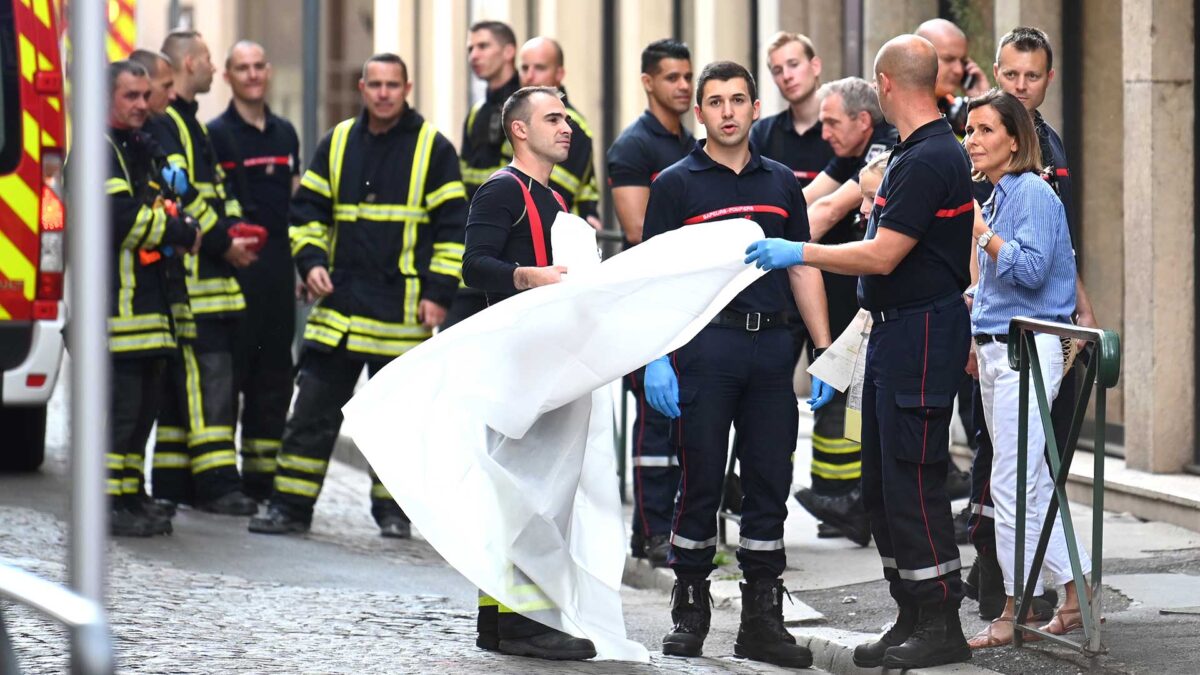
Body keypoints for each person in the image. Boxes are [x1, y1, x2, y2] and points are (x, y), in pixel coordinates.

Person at [745, 34, 974, 669]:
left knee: (912, 476)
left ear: (888, 85)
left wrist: (801, 251)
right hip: (896, 330)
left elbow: (883, 253)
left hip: (922, 332)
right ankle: (911, 611)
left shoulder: (929, 159)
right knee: (881, 483)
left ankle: (939, 622)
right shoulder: (911, 154)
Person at [643, 60, 832, 669]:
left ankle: (761, 620)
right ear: (700, 112)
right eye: (715, 101)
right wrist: (658, 360)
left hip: (772, 354)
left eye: (739, 100)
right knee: (699, 484)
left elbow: (802, 264)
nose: (728, 111)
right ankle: (690, 608)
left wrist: (823, 353)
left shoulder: (780, 184)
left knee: (769, 487)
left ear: (755, 108)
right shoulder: (675, 183)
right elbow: (655, 280)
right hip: (705, 352)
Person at [248, 53, 467, 538]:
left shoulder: (434, 148)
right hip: (341, 305)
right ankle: (290, 506)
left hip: (402, 311)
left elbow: (453, 230)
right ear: (361, 87)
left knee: (399, 425)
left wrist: (438, 294)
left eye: (393, 84)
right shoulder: (339, 141)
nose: (384, 93)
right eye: (376, 84)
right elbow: (306, 213)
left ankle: (394, 514)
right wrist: (311, 263)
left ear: (407, 87)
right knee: (311, 413)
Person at [963, 27, 1098, 621]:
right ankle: (1073, 595)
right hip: (1000, 348)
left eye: (983, 131)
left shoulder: (1029, 192)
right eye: (970, 130)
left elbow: (1035, 267)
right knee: (1029, 478)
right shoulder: (1000, 193)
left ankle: (1015, 607)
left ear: (1015, 141)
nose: (971, 140)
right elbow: (1004, 276)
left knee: (1012, 483)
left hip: (1027, 348)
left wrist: (983, 236)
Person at [460, 86, 598, 661]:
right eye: (554, 119)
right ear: (520, 130)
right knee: (533, 490)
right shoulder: (503, 190)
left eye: (565, 117)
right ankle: (524, 623)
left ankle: (500, 620)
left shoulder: (555, 196)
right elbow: (473, 266)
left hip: (544, 360)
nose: (567, 128)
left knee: (525, 489)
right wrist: (528, 276)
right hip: (522, 364)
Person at [144, 30, 260, 516]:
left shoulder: (192, 125)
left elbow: (214, 190)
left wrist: (236, 228)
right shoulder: (171, 123)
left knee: (186, 389)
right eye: (209, 59)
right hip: (195, 279)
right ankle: (216, 484)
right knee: (208, 384)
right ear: (190, 63)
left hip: (209, 279)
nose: (215, 68)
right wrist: (223, 243)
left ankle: (172, 481)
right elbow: (182, 194)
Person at [787, 77, 898, 545]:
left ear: (864, 121)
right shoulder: (852, 152)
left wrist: (783, 247)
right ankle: (853, 503)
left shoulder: (885, 151)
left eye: (832, 122)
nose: (824, 131)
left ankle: (863, 505)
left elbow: (828, 210)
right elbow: (809, 197)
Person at [605, 38, 695, 567]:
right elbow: (641, 231)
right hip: (650, 298)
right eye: (671, 78)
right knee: (655, 423)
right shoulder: (633, 147)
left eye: (687, 77)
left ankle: (681, 527)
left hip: (691, 298)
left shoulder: (692, 142)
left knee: (687, 419)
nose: (682, 86)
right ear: (648, 82)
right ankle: (651, 531)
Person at [103, 60, 201, 536]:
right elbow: (121, 219)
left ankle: (129, 495)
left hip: (151, 306)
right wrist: (180, 230)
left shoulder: (141, 146)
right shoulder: (100, 150)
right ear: (107, 98)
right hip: (117, 308)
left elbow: (166, 203)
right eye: (131, 97)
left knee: (142, 412)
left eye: (146, 96)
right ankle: (107, 502)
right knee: (121, 414)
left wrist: (180, 218)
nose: (142, 105)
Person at [208, 40, 302, 500]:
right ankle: (224, 481)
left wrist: (303, 264)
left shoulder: (285, 134)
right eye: (241, 68)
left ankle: (262, 477)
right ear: (227, 76)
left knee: (275, 376)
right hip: (235, 274)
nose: (251, 75)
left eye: (258, 66)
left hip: (279, 273)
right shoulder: (216, 135)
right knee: (234, 375)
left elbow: (296, 200)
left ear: (268, 71)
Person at [443, 20, 522, 329]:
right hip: (480, 242)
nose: (474, 54)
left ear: (508, 52)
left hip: (515, 245)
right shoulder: (477, 112)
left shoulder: (525, 107)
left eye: (483, 46)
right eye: (470, 48)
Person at [516, 37, 601, 230]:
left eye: (539, 68)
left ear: (559, 73)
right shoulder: (522, 118)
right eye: (524, 68)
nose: (529, 76)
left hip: (561, 240)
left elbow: (545, 196)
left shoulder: (571, 127)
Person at [915, 18, 991, 137]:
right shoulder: (886, 108)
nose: (959, 70)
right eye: (948, 59)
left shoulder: (957, 112)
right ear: (919, 58)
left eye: (962, 61)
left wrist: (981, 99)